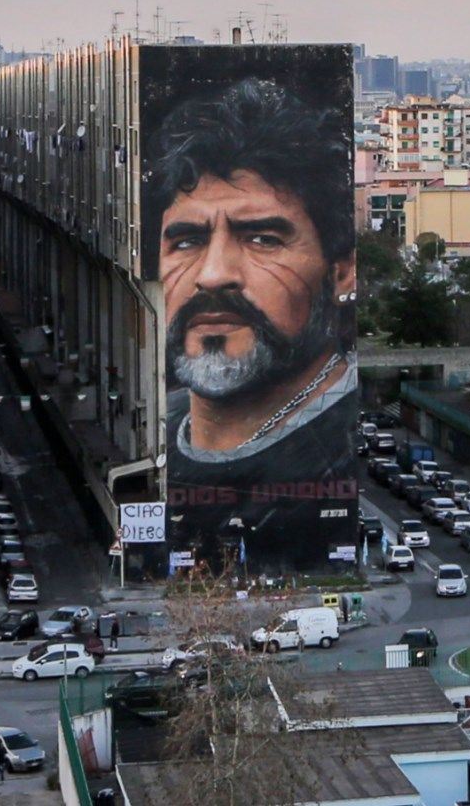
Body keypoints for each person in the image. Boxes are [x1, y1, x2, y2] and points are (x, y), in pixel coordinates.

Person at [152, 76, 358, 574]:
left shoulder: (347, 446)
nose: (213, 275)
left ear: (340, 272)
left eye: (262, 239)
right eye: (186, 241)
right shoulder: (156, 429)